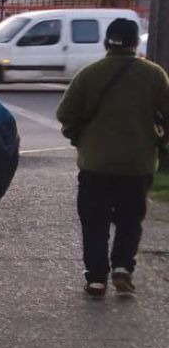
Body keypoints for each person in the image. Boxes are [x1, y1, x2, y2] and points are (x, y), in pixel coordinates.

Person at [55, 18, 169, 297]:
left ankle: (96, 277)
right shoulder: (154, 75)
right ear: (134, 43)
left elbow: (64, 113)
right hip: (138, 164)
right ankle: (122, 267)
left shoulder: (89, 73)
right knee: (131, 219)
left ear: (107, 42)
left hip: (95, 163)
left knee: (94, 222)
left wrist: (79, 136)